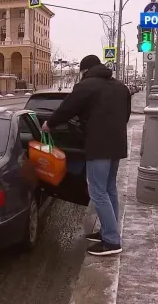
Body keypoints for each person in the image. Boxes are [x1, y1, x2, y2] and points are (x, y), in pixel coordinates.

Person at [41, 55, 131, 256]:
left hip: (98, 146)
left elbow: (67, 109)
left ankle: (111, 241)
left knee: (98, 191)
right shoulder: (120, 87)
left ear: (85, 70)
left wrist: (50, 124)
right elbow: (125, 115)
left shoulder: (86, 86)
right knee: (109, 189)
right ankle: (109, 230)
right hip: (116, 145)